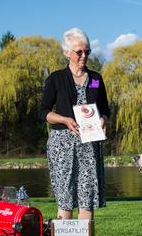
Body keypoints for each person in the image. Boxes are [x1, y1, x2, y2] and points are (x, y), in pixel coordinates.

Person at [39, 27, 110, 220]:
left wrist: (103, 119)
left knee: (87, 197)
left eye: (87, 51)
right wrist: (64, 119)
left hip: (89, 145)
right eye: (79, 52)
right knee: (66, 196)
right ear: (67, 53)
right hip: (63, 145)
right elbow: (44, 112)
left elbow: (105, 109)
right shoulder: (56, 78)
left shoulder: (96, 79)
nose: (84, 55)